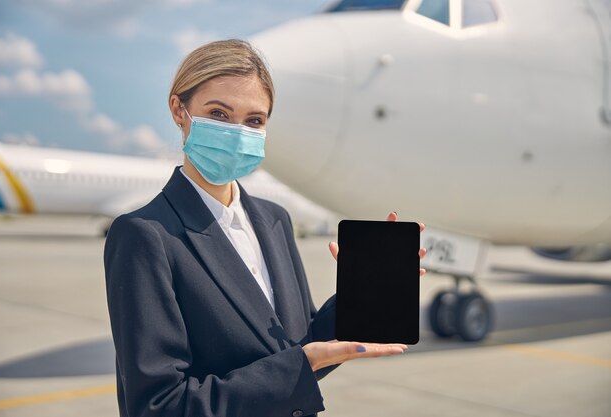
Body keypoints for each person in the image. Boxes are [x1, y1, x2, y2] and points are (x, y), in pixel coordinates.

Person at [104, 39, 427, 417]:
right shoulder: (145, 235)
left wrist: (362, 293)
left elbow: (297, 348)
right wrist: (299, 366)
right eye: (220, 114)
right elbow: (158, 406)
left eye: (254, 120)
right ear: (179, 109)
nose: (238, 132)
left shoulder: (274, 219)